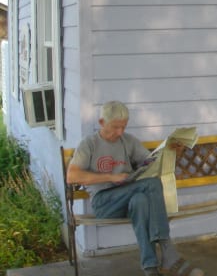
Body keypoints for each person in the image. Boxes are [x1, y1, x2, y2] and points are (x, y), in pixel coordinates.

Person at [66, 101, 205, 276]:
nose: (120, 132)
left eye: (123, 127)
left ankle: (150, 268)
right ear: (102, 122)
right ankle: (168, 253)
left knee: (140, 201)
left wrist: (173, 153)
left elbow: (152, 163)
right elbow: (72, 176)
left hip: (128, 199)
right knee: (152, 184)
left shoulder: (128, 141)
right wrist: (110, 177)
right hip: (104, 203)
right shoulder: (89, 144)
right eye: (115, 127)